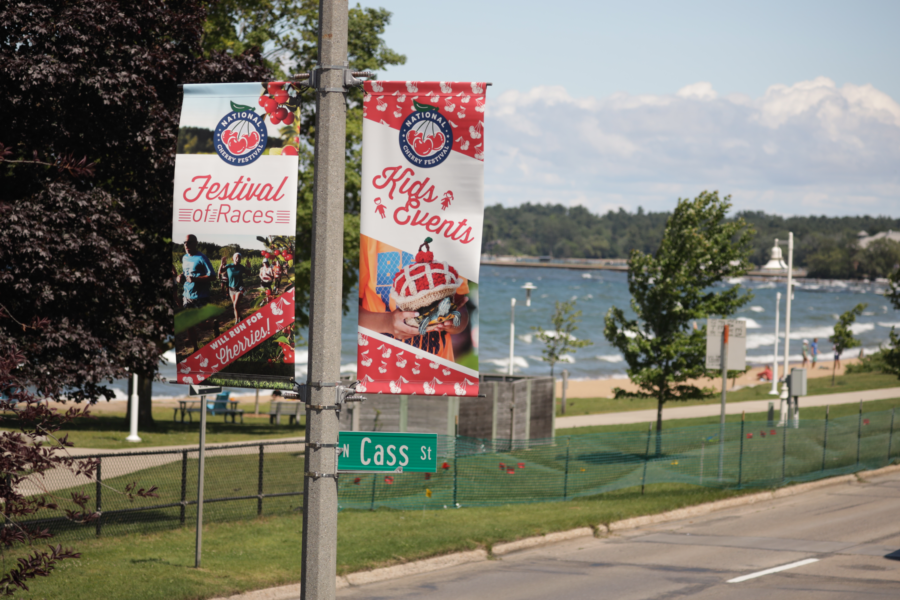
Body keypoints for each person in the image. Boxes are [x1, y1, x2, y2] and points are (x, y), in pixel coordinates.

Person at [358, 235, 468, 362]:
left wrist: (452, 323)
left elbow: (461, 310)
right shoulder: (369, 235)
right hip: (379, 364)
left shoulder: (451, 234)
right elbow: (349, 315)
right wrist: (387, 323)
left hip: (436, 367)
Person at [177, 234, 215, 351]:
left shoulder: (202, 258)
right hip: (187, 295)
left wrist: (196, 279)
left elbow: (212, 276)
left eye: (189, 242)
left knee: (201, 326)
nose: (186, 245)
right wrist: (181, 276)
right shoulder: (184, 258)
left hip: (201, 296)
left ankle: (213, 325)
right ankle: (195, 349)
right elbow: (185, 272)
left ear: (195, 243)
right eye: (185, 242)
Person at [218, 252, 249, 326]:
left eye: (239, 258)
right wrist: (222, 264)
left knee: (235, 305)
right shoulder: (229, 266)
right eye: (236, 257)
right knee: (236, 306)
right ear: (233, 258)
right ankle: (240, 318)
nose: (238, 259)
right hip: (231, 288)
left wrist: (249, 267)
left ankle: (237, 322)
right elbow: (220, 272)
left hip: (240, 288)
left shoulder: (241, 267)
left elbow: (249, 273)